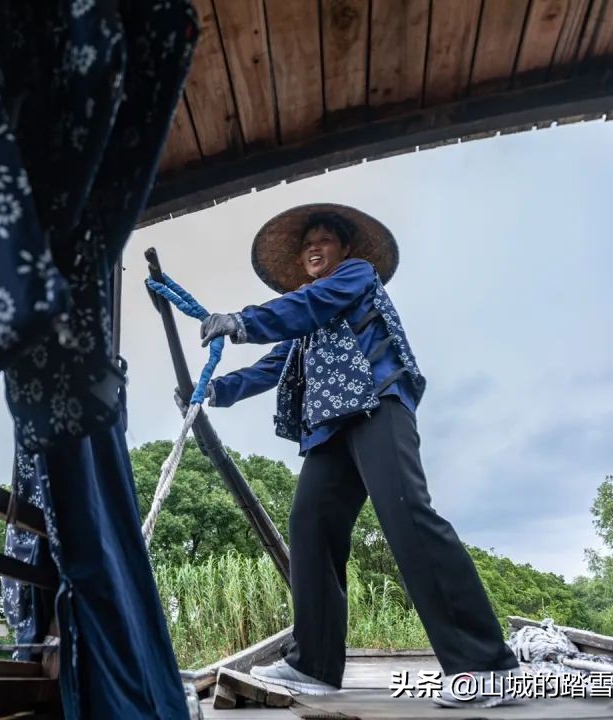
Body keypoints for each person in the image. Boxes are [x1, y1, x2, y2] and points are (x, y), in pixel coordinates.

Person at [190, 204, 521, 709]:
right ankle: (313, 665)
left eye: (325, 240)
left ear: (344, 250)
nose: (315, 249)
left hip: (379, 402)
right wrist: (212, 392)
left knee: (407, 516)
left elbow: (304, 308)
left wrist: (241, 320)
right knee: (310, 525)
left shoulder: (354, 277)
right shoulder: (305, 313)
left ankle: (487, 668)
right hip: (330, 427)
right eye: (307, 246)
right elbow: (270, 366)